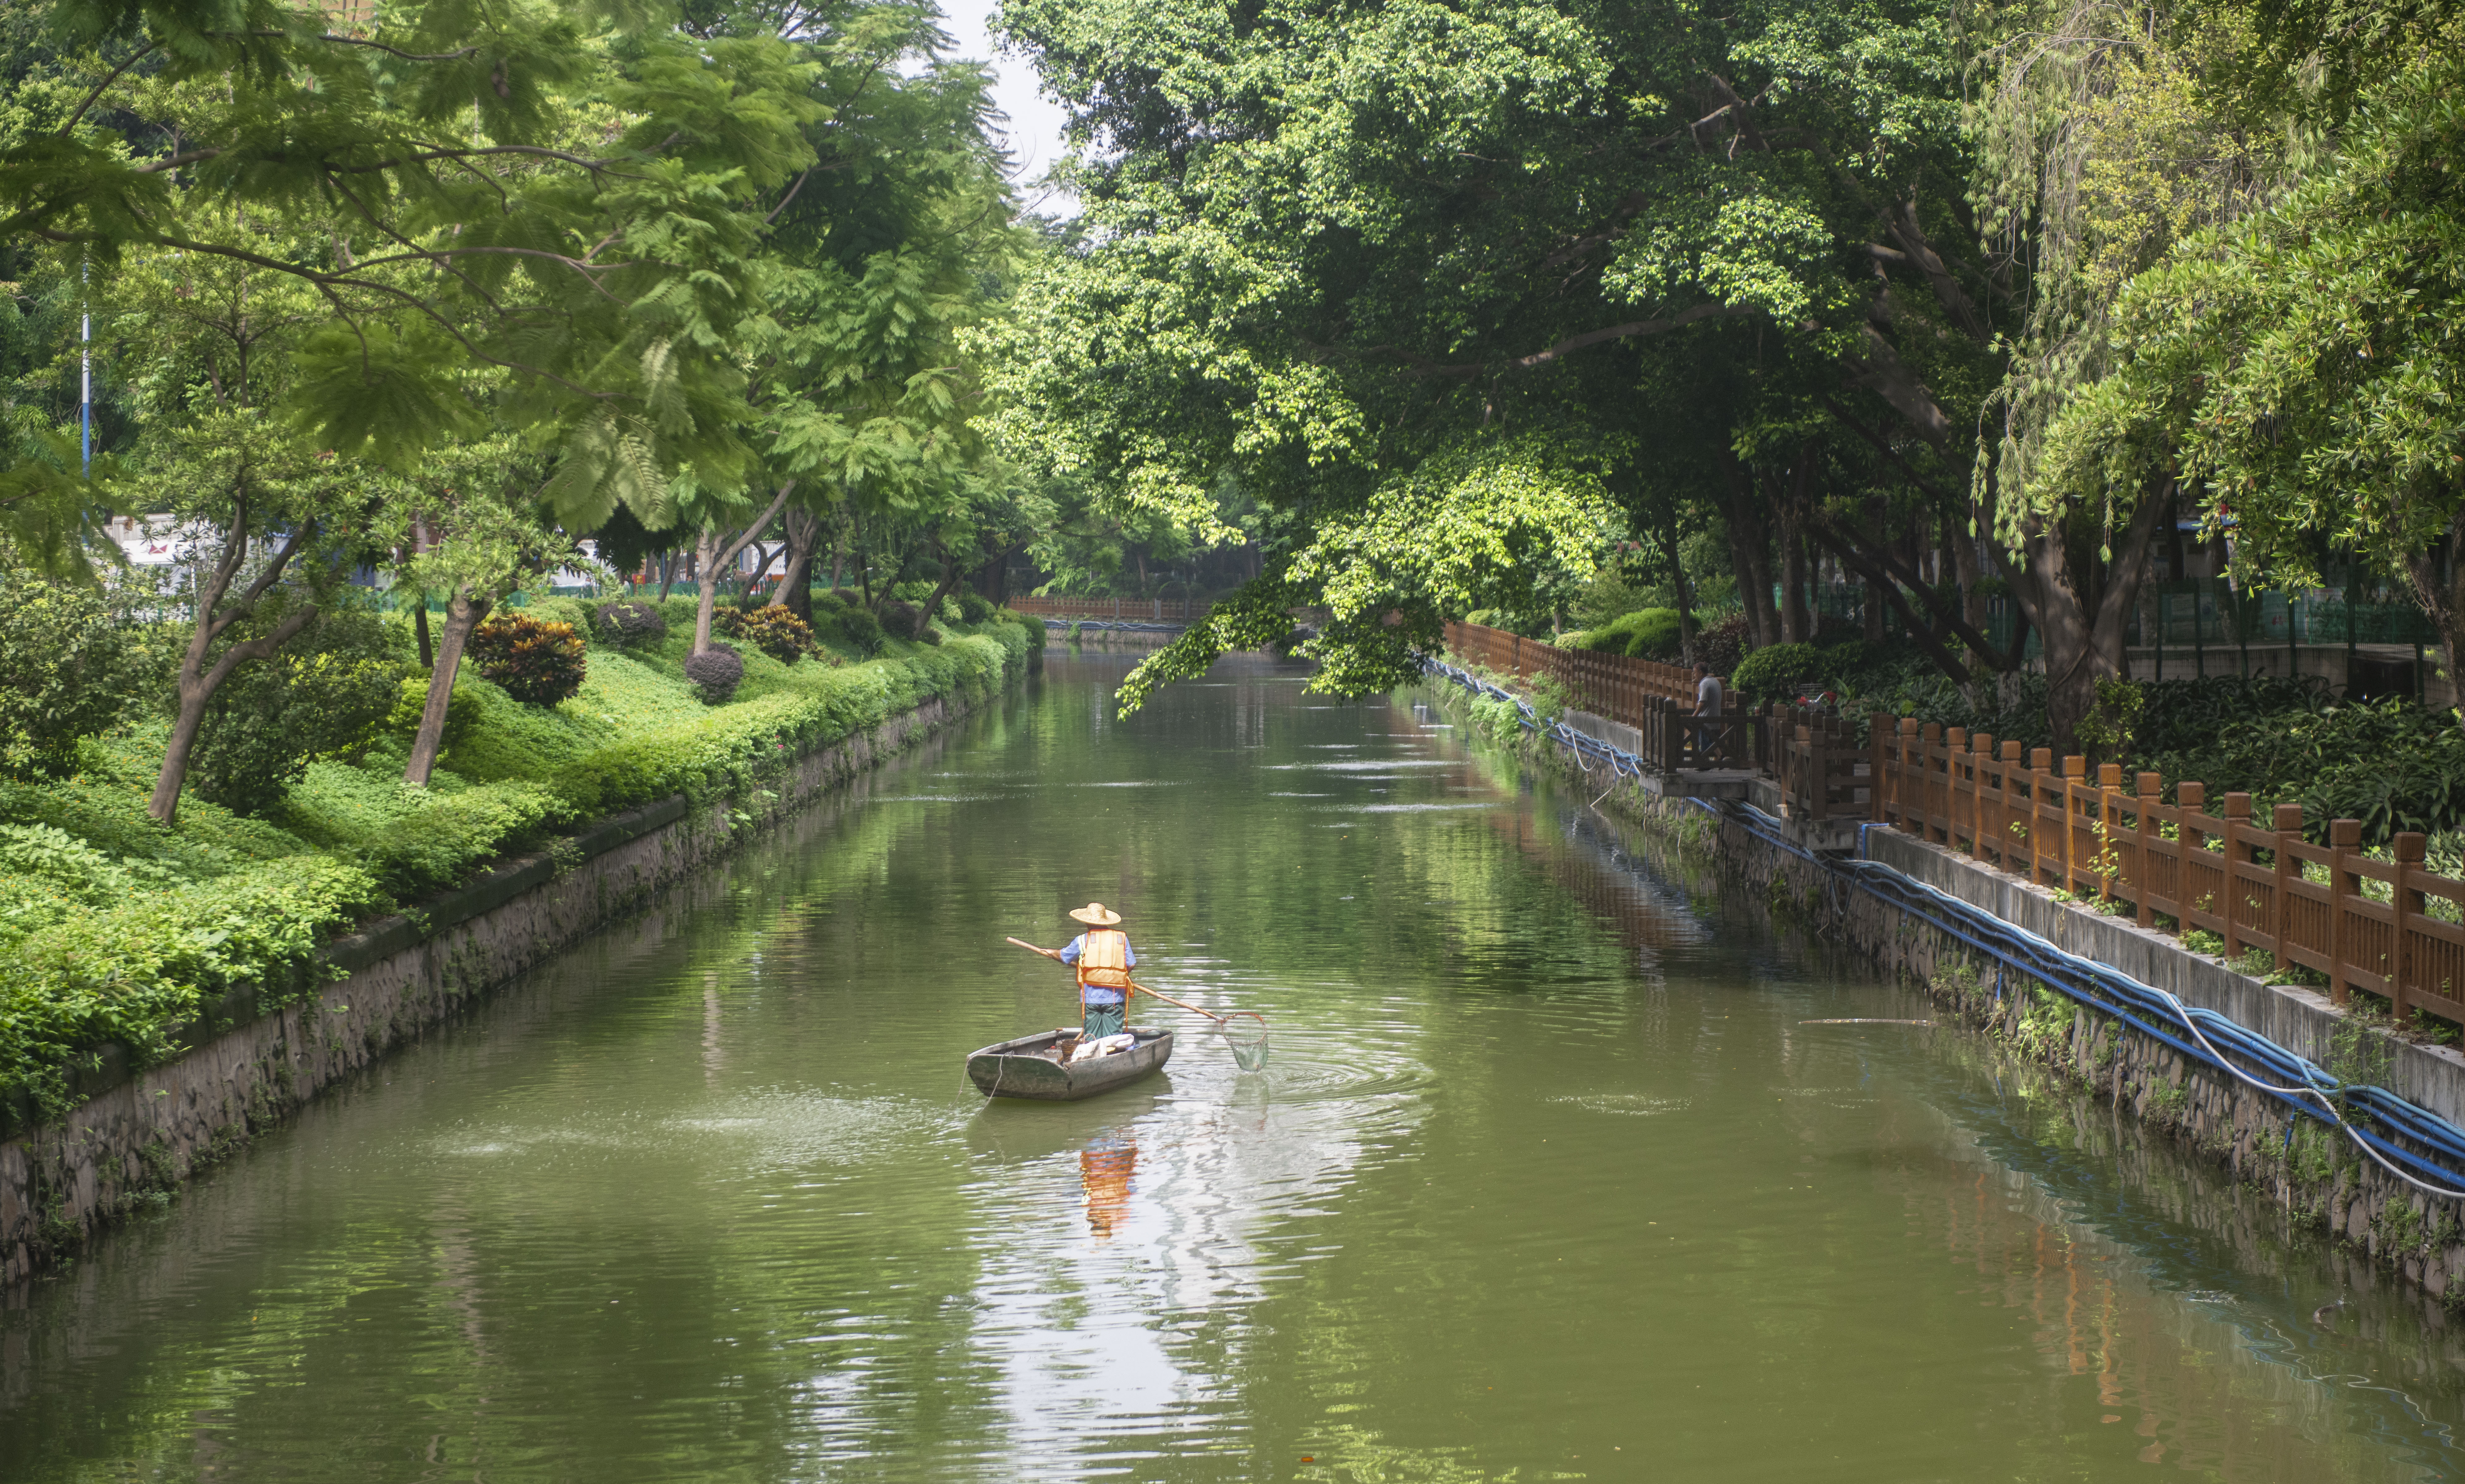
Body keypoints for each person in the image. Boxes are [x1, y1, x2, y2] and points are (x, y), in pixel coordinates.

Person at [1058, 902, 1137, 1040]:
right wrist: (1114, 976)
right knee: (1113, 1041)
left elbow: (1064, 956)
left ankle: (1092, 1056)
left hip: (1090, 1000)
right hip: (1114, 999)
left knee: (1091, 1039)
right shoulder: (1121, 938)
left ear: (1087, 922)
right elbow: (1131, 965)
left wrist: (1047, 952)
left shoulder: (1082, 940)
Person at [1692, 662, 1726, 765]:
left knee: (1705, 742)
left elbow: (1702, 703)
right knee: (1713, 741)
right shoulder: (1715, 681)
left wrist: (1694, 716)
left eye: (1695, 673)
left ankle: (1705, 764)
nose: (1694, 675)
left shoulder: (1705, 683)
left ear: (1701, 673)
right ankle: (1721, 758)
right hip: (1716, 717)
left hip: (1706, 719)